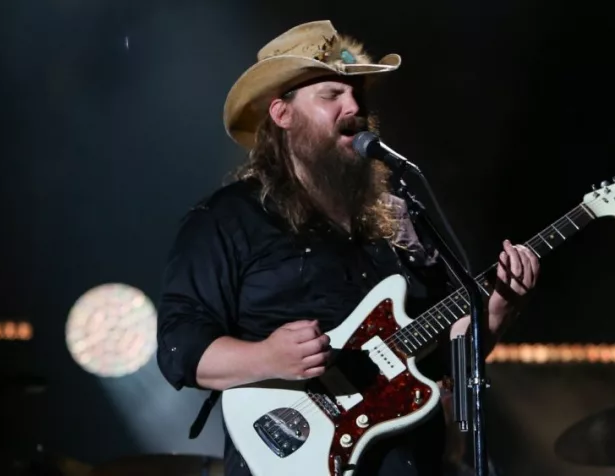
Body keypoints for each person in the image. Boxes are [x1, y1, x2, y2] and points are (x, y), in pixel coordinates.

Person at [156, 20, 540, 476]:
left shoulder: (397, 221)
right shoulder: (228, 219)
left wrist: (495, 310)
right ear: (283, 114)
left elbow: (442, 358)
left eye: (357, 93)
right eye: (331, 95)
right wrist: (267, 357)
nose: (354, 106)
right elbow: (179, 347)